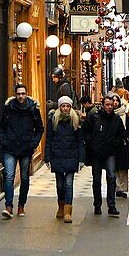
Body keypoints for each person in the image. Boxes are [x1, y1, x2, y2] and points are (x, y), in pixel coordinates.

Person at [0, 84, 43, 219]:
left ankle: (21, 205)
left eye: (23, 93)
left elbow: (40, 128)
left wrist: (33, 144)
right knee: (9, 176)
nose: (21, 96)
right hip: (10, 147)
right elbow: (1, 127)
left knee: (24, 178)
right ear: (15, 94)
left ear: (26, 94)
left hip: (25, 148)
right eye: (18, 94)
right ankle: (8, 206)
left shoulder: (33, 108)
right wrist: (3, 140)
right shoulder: (9, 108)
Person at [83, 93, 126, 217]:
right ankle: (97, 204)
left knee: (111, 177)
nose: (109, 107)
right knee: (97, 179)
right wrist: (91, 143)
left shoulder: (116, 119)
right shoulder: (95, 117)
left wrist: (115, 143)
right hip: (96, 153)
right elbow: (85, 130)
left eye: (111, 105)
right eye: (107, 105)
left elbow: (121, 134)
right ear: (103, 105)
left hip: (110, 152)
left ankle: (111, 205)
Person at [45, 95, 84, 224]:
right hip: (57, 155)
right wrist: (47, 157)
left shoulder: (75, 120)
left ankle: (68, 211)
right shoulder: (53, 119)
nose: (66, 108)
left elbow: (80, 140)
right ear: (59, 107)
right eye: (63, 106)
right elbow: (49, 139)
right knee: (60, 185)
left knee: (68, 184)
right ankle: (61, 207)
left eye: (68, 106)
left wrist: (81, 158)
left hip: (71, 155)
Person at [111, 91, 129, 198]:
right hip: (112, 144)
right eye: (113, 101)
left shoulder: (125, 112)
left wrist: (128, 139)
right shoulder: (109, 114)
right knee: (113, 167)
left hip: (123, 144)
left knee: (123, 167)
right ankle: (114, 186)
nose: (115, 103)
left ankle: (121, 188)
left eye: (116, 101)